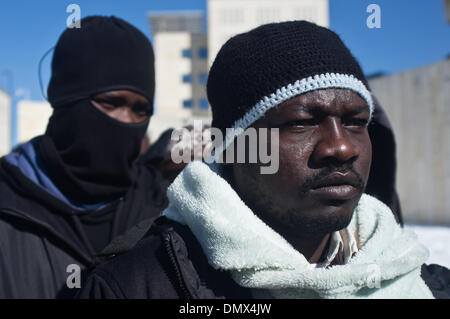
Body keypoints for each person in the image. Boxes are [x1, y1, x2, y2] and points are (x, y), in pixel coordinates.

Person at [77, 21, 450, 299]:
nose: (341, 147)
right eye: (302, 122)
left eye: (355, 122)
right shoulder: (133, 287)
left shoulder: (422, 282)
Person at [0, 16, 169, 298]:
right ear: (66, 99)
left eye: (141, 110)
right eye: (111, 103)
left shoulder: (161, 208)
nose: (126, 121)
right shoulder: (8, 204)